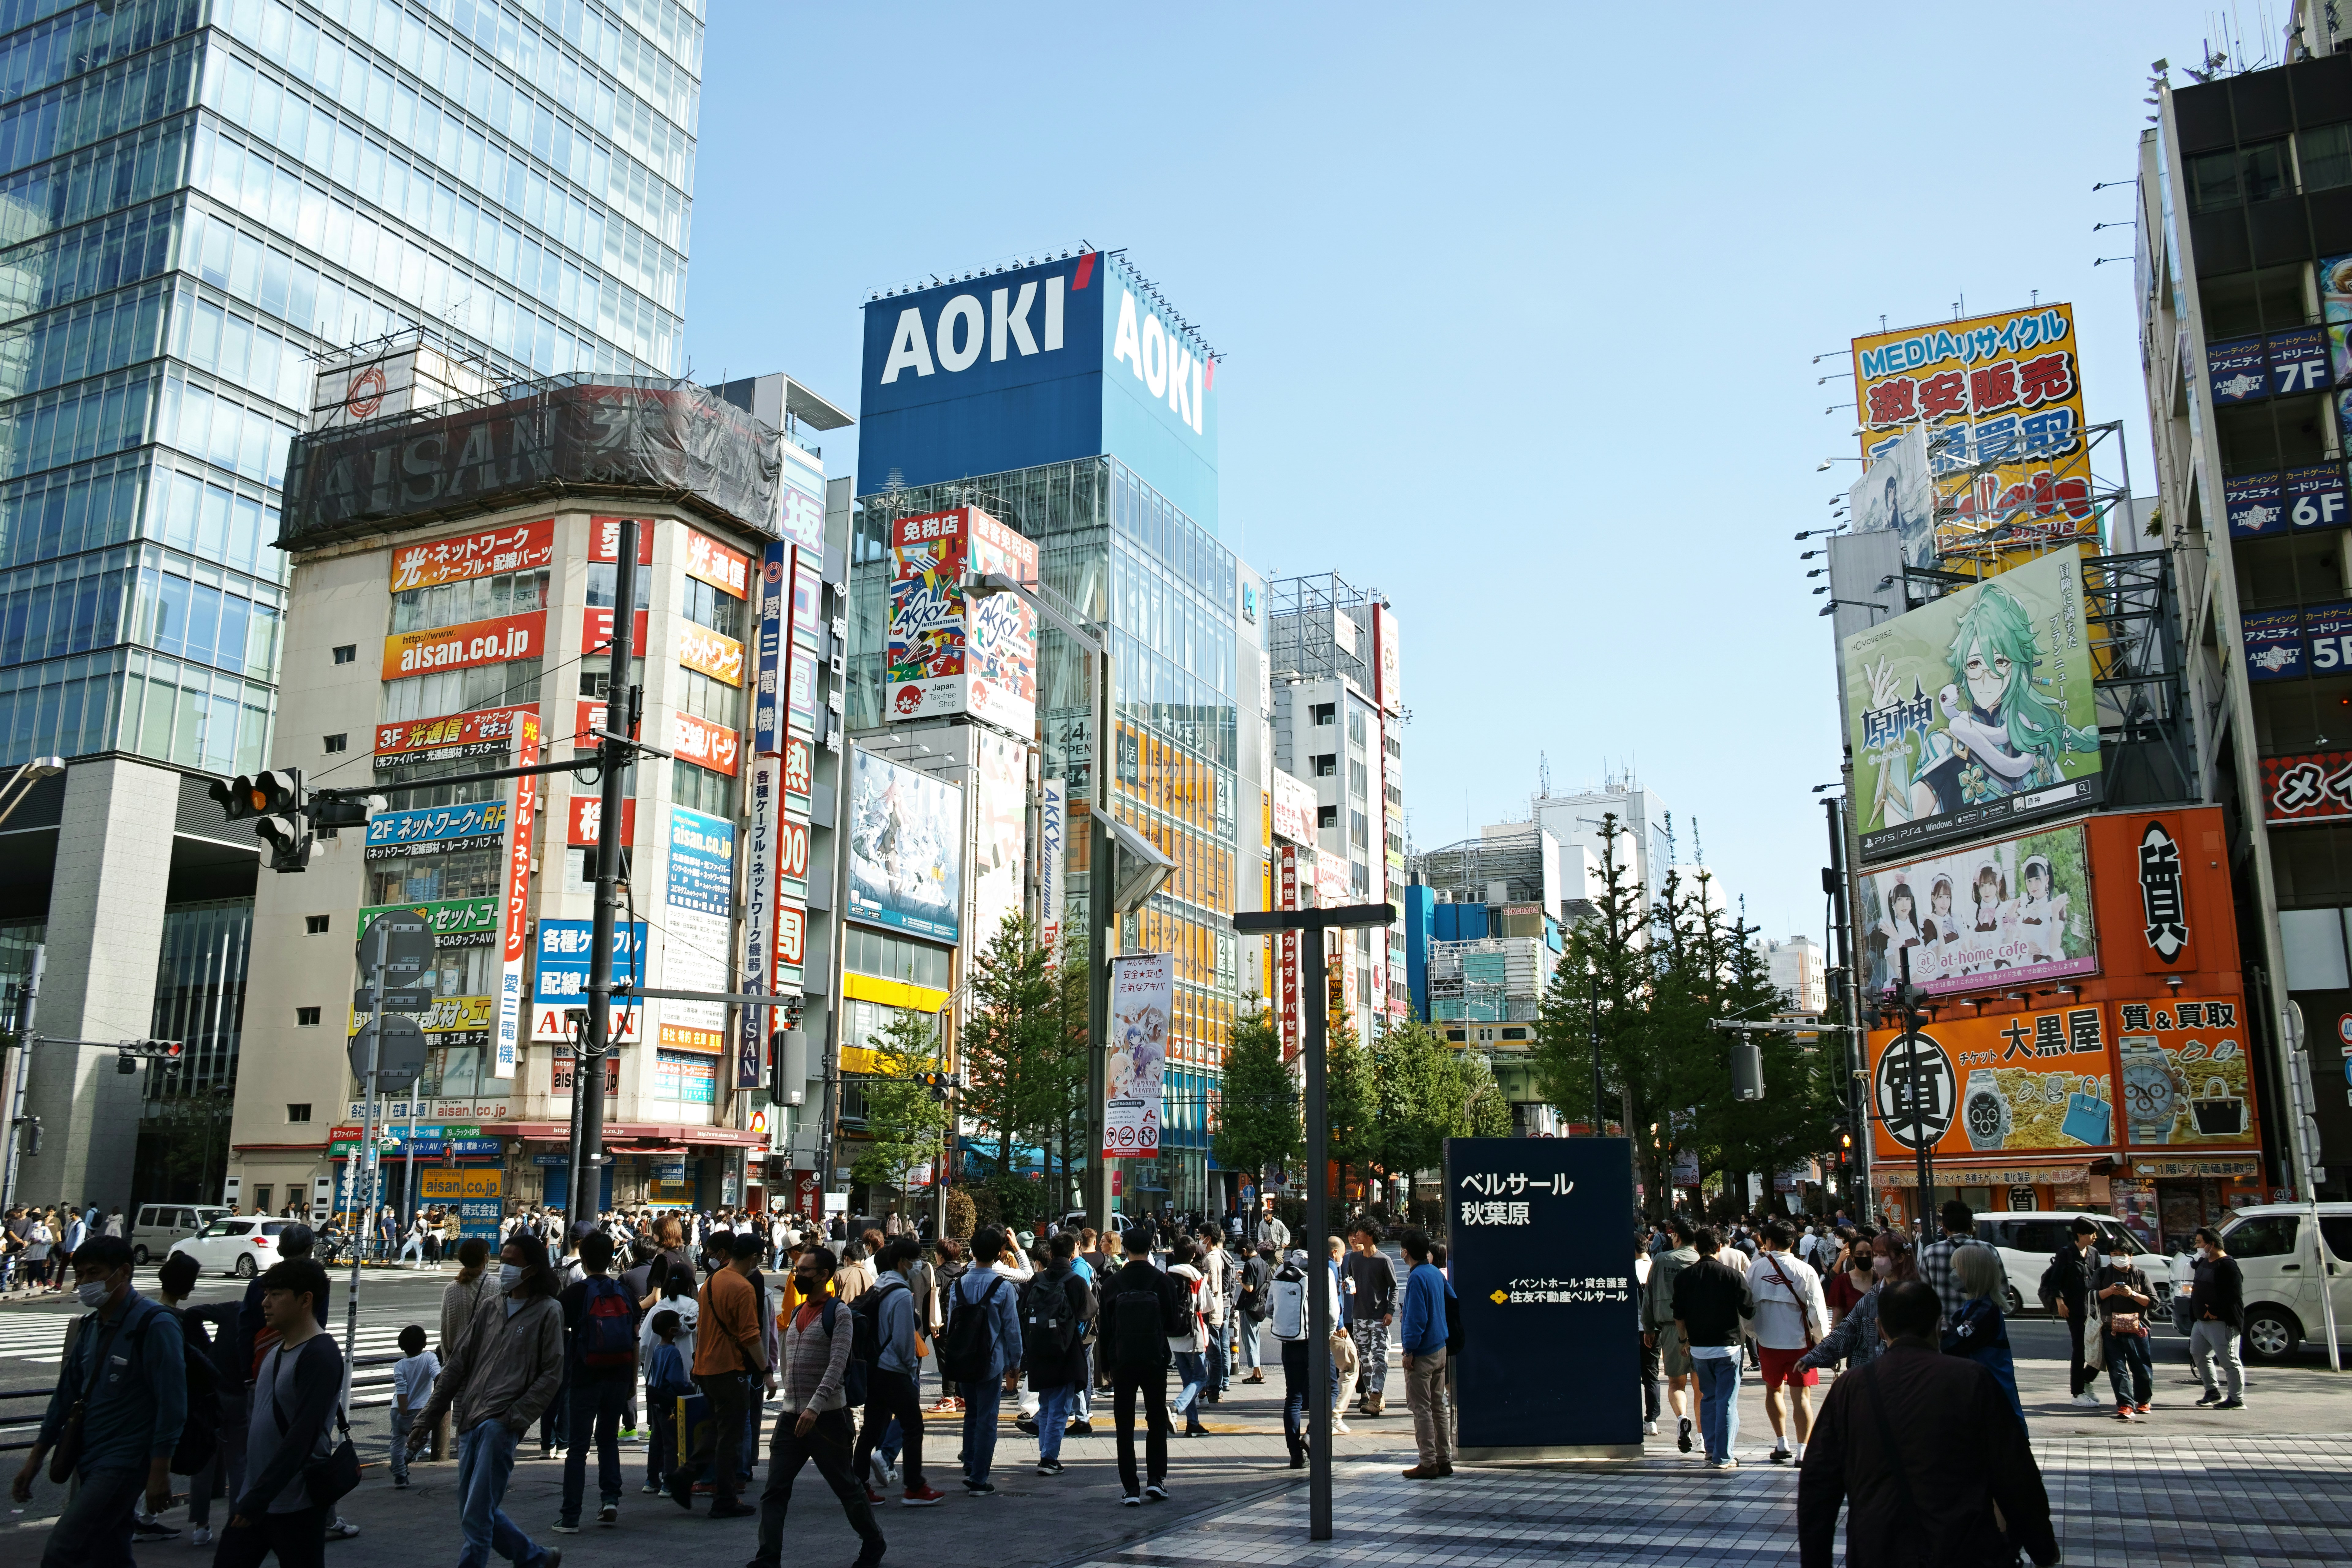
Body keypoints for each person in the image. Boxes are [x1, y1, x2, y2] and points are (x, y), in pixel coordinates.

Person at [1797, 1281, 2057, 1568]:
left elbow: (1818, 1484)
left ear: (1881, 1328)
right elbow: (2015, 1474)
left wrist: (1815, 1560)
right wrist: (2043, 1549)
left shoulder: (1851, 1387)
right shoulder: (1972, 1380)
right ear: (1938, 1325)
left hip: (1877, 1549)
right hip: (1963, 1547)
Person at [13, 1233, 186, 1567]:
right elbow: (65, 1395)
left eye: (93, 1273)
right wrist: (35, 1458)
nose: (84, 1282)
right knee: (109, 1552)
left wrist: (160, 1470)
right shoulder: (93, 1325)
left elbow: (173, 1402)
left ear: (123, 1271)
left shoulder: (155, 1324)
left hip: (125, 1460)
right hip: (90, 1455)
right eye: (79, 1275)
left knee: (64, 1549)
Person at [410, 1234, 566, 1568]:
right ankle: (534, 1557)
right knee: (473, 1505)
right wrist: (427, 1418)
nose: (504, 1266)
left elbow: (552, 1372)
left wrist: (516, 1415)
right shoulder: (491, 1306)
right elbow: (457, 1365)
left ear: (531, 1268)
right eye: (503, 1259)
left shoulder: (548, 1310)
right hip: (471, 1416)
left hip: (501, 1422)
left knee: (477, 1514)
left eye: (513, 1261)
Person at [747, 1245, 885, 1568]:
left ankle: (874, 1541)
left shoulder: (839, 1313)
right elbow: (789, 1361)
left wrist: (815, 1406)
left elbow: (838, 1364)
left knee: (846, 1486)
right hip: (791, 1416)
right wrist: (788, 1398)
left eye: (805, 1271)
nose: (798, 1275)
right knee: (775, 1490)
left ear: (824, 1275)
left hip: (827, 1418)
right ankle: (768, 1557)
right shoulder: (797, 1313)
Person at [217, 1257, 344, 1568]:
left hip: (295, 1502)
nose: (265, 1302)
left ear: (305, 1299)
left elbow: (302, 1436)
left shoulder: (320, 1355)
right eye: (266, 1293)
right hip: (259, 1496)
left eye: (276, 1294)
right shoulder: (275, 1351)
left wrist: (258, 1496)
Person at [555, 1231, 639, 1532]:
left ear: (585, 1259)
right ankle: (610, 1500)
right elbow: (634, 1338)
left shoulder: (576, 1293)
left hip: (585, 1376)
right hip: (618, 1376)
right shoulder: (624, 1291)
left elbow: (554, 1325)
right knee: (608, 1439)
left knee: (578, 1447)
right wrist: (631, 1380)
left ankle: (570, 1516)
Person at [852, 1237, 941, 1505]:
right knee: (913, 1426)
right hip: (895, 1370)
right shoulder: (902, 1293)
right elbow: (905, 1342)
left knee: (871, 1429)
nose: (918, 1265)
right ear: (902, 1262)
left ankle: (859, 1486)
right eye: (915, 1260)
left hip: (876, 1368)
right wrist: (911, 1369)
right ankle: (914, 1488)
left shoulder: (881, 1285)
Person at [1098, 1225, 1184, 1501]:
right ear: (1151, 1249)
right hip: (1155, 1359)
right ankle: (1156, 1479)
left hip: (1121, 1361)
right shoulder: (1163, 1282)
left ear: (1125, 1249)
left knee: (1125, 1423)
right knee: (1156, 1418)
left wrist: (1105, 1367)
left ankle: (1130, 1488)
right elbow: (1173, 1324)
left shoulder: (1112, 1284)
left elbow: (1106, 1330)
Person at [686, 1231, 768, 1518]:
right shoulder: (743, 1287)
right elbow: (750, 1335)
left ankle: (684, 1477)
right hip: (729, 1369)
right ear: (754, 1257)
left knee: (716, 1428)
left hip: (705, 1367)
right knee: (730, 1437)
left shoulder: (711, 1282)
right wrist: (765, 1369)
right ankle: (725, 1498)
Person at [944, 1227, 1023, 1494]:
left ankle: (969, 1460)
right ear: (1000, 1253)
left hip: (964, 1359)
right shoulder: (1004, 1288)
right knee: (988, 1418)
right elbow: (1012, 1328)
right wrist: (1016, 1361)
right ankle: (979, 1477)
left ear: (972, 1252)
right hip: (991, 1360)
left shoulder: (958, 1285)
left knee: (972, 1413)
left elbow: (952, 1324)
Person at [1670, 1227, 1751, 1469]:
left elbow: (1679, 1314)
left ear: (1696, 1248)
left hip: (1699, 1349)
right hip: (1728, 1347)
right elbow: (1748, 1309)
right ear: (1719, 1248)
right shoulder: (1732, 1276)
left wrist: (1684, 1340)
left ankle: (1711, 1449)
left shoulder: (1684, 1277)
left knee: (1708, 1398)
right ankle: (1723, 1456)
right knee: (1727, 1401)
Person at [1749, 1220, 1828, 1465]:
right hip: (1799, 1343)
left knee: (1773, 1391)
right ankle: (1803, 1449)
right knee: (1802, 1397)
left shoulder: (1755, 1269)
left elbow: (1746, 1308)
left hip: (1768, 1341)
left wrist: (1754, 1334)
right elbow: (1817, 1310)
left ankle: (1782, 1442)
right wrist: (1821, 1340)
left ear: (1768, 1242)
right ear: (1793, 1242)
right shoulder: (1805, 1270)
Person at [1021, 1233, 1092, 1476]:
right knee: (1061, 1407)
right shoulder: (1075, 1280)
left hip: (1039, 1349)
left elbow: (1024, 1311)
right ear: (1074, 1249)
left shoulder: (1037, 1279)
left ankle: (1046, 1455)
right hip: (1065, 1350)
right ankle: (1049, 1458)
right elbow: (1088, 1312)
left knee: (1046, 1402)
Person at [1942, 1245, 2023, 1426]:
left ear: (1973, 1273)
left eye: (1957, 1269)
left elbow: (1951, 1343)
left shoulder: (1984, 1312)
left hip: (1995, 1406)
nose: (1953, 1274)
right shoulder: (1974, 1307)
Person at [1396, 1228, 1454, 1480]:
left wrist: (1409, 1350)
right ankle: (1444, 1459)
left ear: (1406, 1252)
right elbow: (1451, 1301)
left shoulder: (1417, 1277)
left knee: (1422, 1409)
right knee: (1438, 1406)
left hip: (1422, 1353)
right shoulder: (1434, 1273)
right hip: (1441, 1347)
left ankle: (1428, 1462)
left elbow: (1416, 1320)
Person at [1644, 1216, 1701, 1454]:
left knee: (1677, 1383)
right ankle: (1702, 1438)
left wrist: (1649, 1327)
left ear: (1675, 1236)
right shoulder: (1701, 1260)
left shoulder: (1661, 1259)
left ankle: (1681, 1419)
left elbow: (1650, 1294)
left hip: (1668, 1327)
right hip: (1701, 1329)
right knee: (1701, 1389)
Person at [2036, 1216, 2103, 1408]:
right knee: (2080, 1350)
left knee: (2100, 1347)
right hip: (2073, 1310)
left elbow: (2098, 1280)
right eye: (2092, 1234)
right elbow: (2055, 1281)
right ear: (2080, 1234)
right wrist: (2060, 1303)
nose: (2095, 1237)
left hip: (2093, 1309)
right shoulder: (2065, 1253)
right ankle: (2078, 1393)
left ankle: (2087, 1380)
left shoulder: (2094, 1254)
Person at [2184, 1225, 2246, 1409]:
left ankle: (2236, 1399)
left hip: (2222, 1322)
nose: (2196, 1246)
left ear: (2211, 1244)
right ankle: (2212, 1392)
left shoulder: (2228, 1265)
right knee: (2199, 1354)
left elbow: (2235, 1296)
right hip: (2201, 1322)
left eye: (2199, 1242)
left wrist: (2215, 1310)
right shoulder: (2204, 1262)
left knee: (2229, 1361)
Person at [2094, 1234, 2155, 1420]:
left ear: (2131, 1255)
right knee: (2118, 1369)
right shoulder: (2102, 1274)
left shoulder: (2141, 1275)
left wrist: (2133, 1295)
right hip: (2110, 1330)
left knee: (2142, 1368)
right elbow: (2091, 1297)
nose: (2118, 1257)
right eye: (2115, 1254)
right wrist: (2110, 1291)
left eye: (2122, 1254)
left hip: (2138, 1330)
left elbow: (2154, 1303)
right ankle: (2125, 1405)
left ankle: (2144, 1400)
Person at [1919, 1200, 2004, 1330]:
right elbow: (2002, 1291)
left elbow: (1924, 1297)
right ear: (1971, 1228)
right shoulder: (1989, 1250)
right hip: (1982, 1330)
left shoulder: (1930, 1253)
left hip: (1946, 1334)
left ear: (1945, 1229)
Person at [1341, 1223, 1396, 1417]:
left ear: (1371, 1235)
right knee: (1364, 1360)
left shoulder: (1384, 1260)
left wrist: (1390, 1311)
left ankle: (1375, 1397)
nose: (1356, 1236)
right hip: (1359, 1317)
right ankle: (1376, 1395)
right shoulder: (1354, 1259)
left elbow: (1394, 1287)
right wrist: (1346, 1286)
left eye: (1360, 1232)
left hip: (1379, 1318)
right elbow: (1349, 1280)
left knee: (1380, 1358)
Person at [641, 1310, 692, 1503]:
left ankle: (651, 1479)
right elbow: (676, 1380)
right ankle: (668, 1483)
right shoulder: (673, 1352)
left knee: (656, 1441)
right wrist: (689, 1388)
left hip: (656, 1400)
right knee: (671, 1444)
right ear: (673, 1331)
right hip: (669, 1403)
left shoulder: (659, 1349)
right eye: (679, 1325)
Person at [1165, 1238, 1212, 1437]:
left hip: (1174, 1335)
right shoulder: (1197, 1277)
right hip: (1193, 1334)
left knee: (1188, 1381)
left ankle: (1193, 1424)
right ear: (1193, 1256)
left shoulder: (1167, 1276)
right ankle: (1176, 1407)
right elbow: (1207, 1306)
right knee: (1202, 1377)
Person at [390, 1325, 440, 1490]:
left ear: (402, 1346)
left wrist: (403, 1414)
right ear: (425, 1344)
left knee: (397, 1442)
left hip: (398, 1408)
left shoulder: (400, 1366)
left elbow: (402, 1391)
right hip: (420, 1411)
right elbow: (438, 1375)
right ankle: (406, 1460)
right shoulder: (429, 1358)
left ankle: (400, 1477)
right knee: (423, 1438)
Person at [1235, 1241, 1272, 1385]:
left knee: (1250, 1341)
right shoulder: (1262, 1262)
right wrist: (1245, 1275)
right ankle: (1257, 1374)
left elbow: (1250, 1288)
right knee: (1255, 1340)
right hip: (1260, 1307)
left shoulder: (1250, 1264)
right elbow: (1261, 1280)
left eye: (1241, 1254)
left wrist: (1239, 1279)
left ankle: (1258, 1373)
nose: (1241, 1257)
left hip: (1249, 1307)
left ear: (1245, 1250)